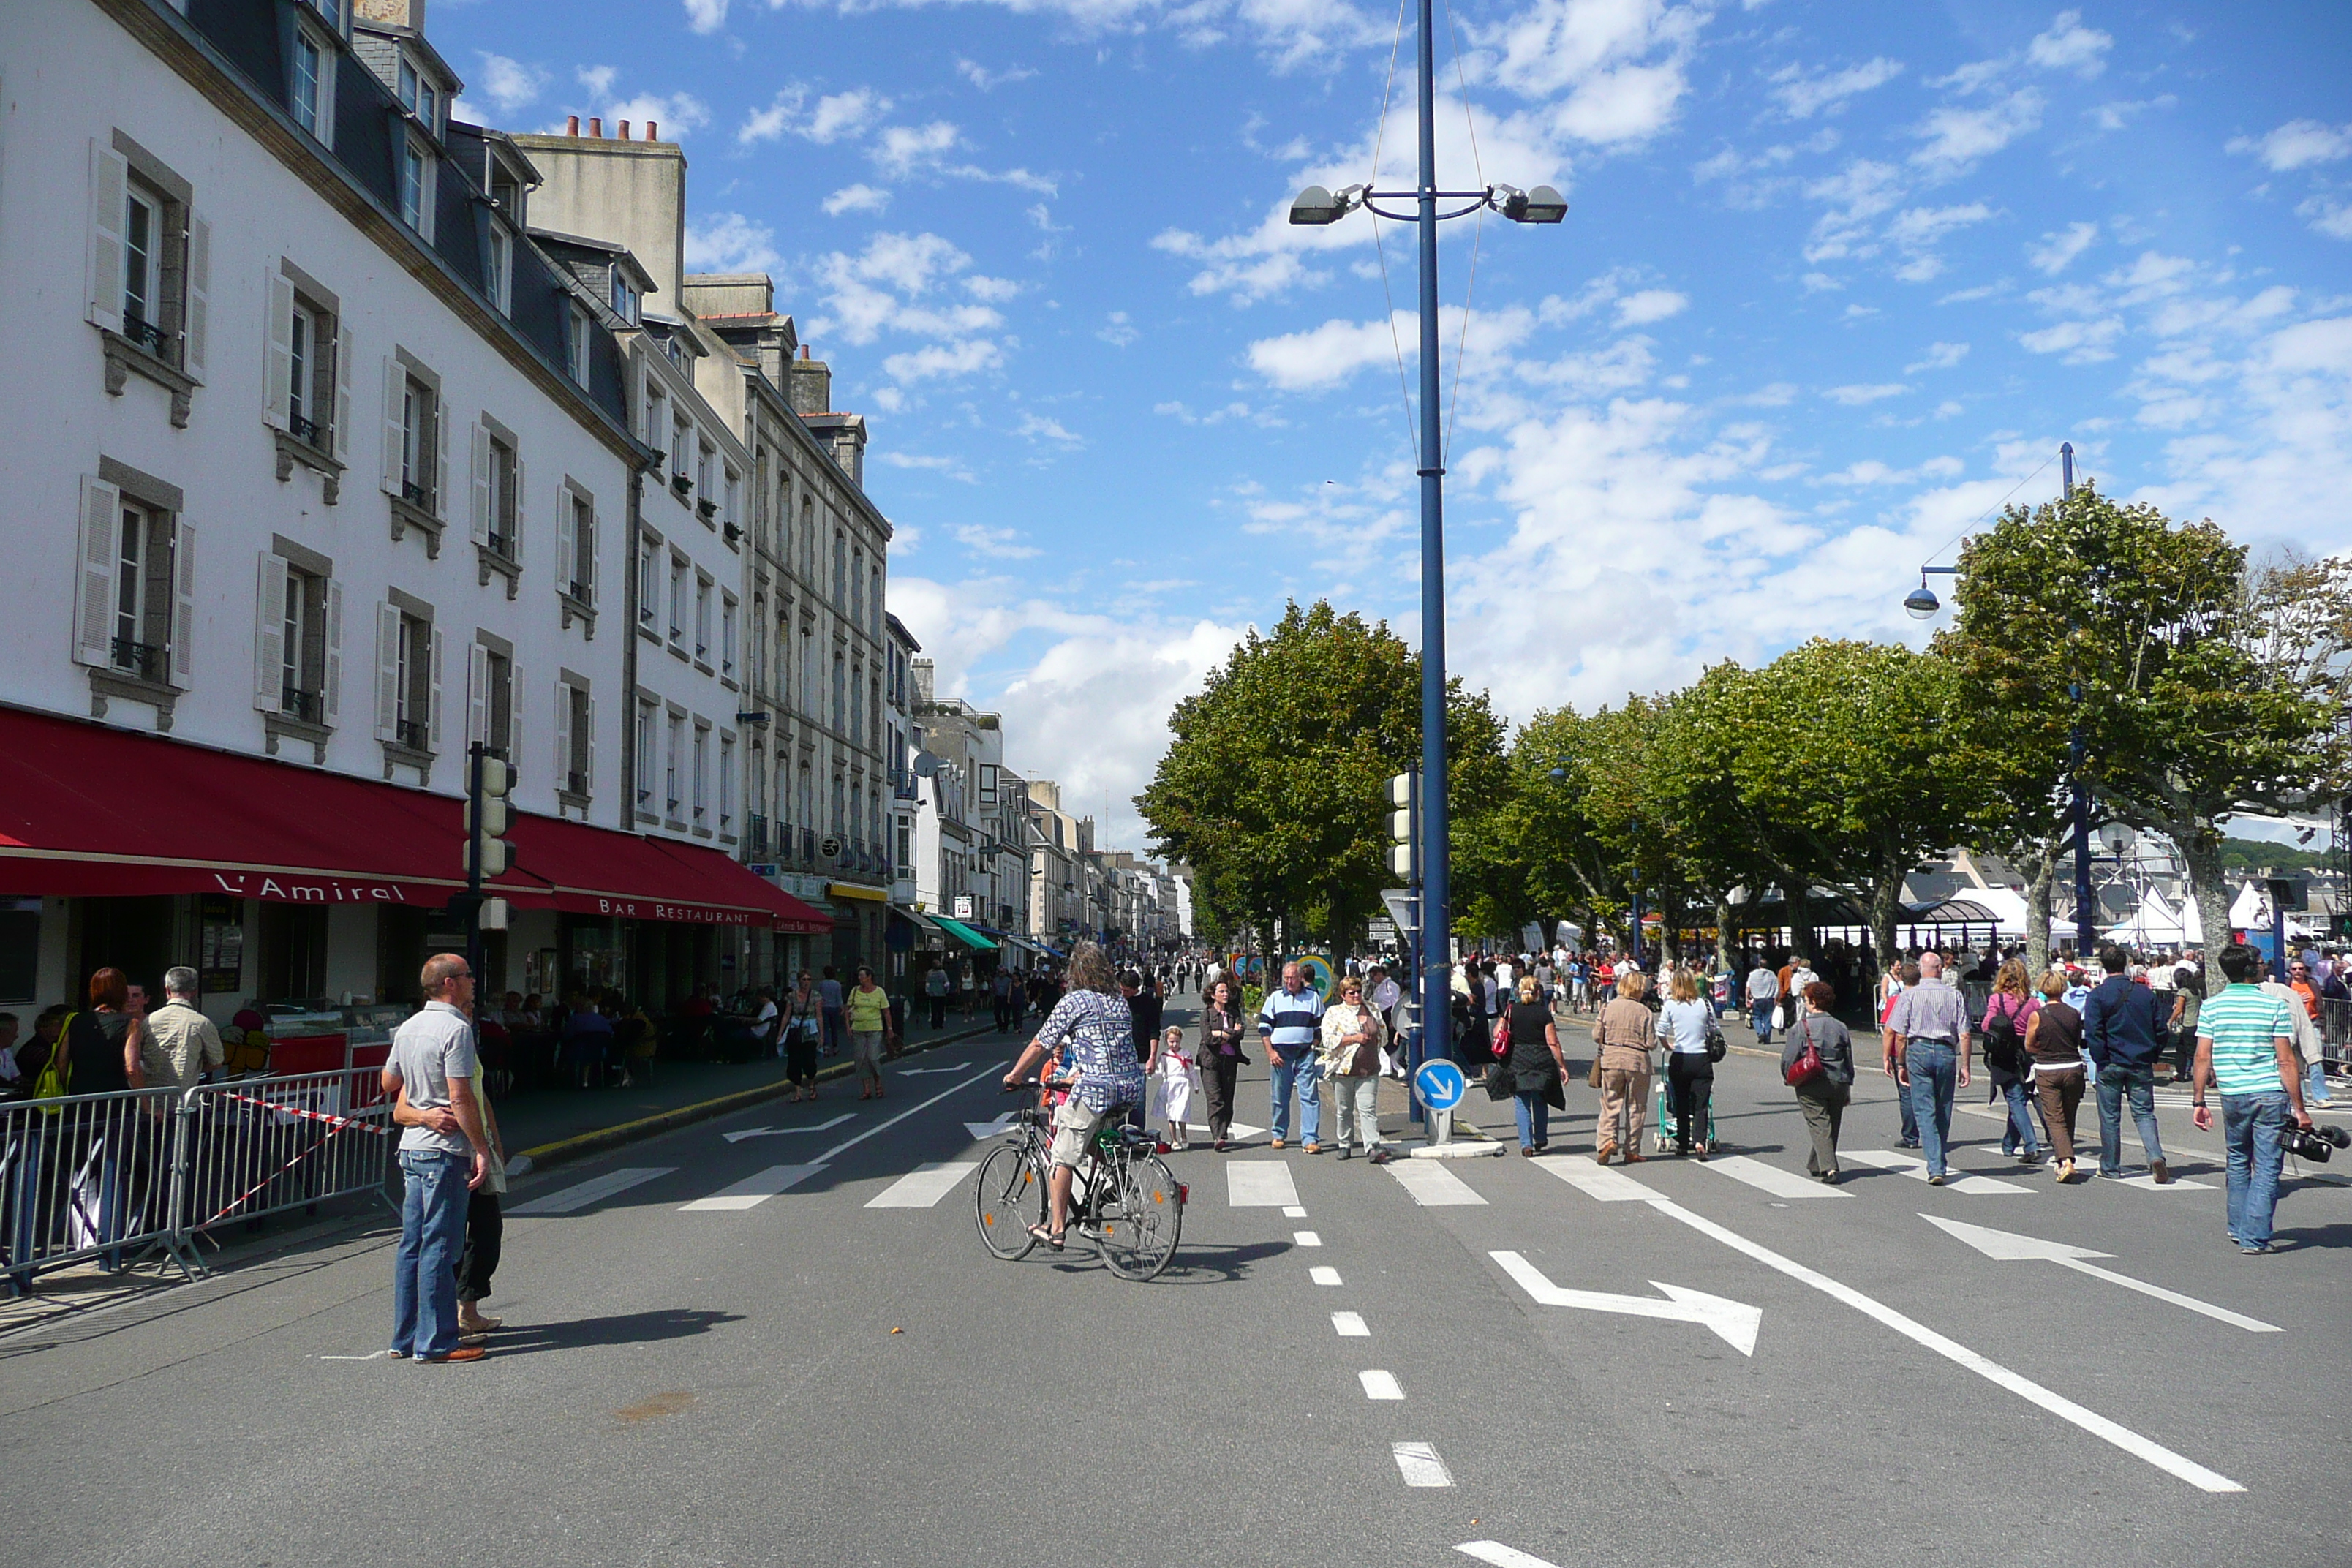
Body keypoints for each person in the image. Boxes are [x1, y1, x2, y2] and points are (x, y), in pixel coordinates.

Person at [382, 954, 490, 1363]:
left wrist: (420, 1090)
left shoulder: (409, 1027)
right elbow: (460, 1095)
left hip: (412, 1145)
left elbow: (389, 1080)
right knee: (441, 1248)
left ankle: (404, 1338)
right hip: (443, 1150)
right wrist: (481, 1148)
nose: (473, 981)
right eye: (466, 976)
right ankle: (437, 1342)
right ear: (449, 984)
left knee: (413, 1245)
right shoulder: (456, 1029)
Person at [1000, 943, 1144, 1251]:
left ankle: (1056, 1229)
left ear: (1075, 973)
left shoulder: (1074, 1001)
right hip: (1130, 1087)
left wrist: (1015, 1075)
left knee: (1061, 1156)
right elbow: (1111, 1045)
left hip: (1097, 1089)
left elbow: (1042, 1042)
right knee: (1092, 1138)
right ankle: (1116, 1180)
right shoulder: (1118, 1000)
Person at [2194, 943, 2317, 1254]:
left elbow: (2202, 1057)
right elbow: (2286, 1061)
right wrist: (2299, 1108)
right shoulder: (2273, 1006)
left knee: (2237, 1159)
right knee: (2266, 1167)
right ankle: (2254, 1235)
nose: (2264, 967)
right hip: (2270, 1093)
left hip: (2233, 1093)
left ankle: (2238, 1227)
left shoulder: (2212, 1007)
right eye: (2261, 963)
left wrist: (2199, 1100)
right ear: (2251, 970)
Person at [2082, 943, 2169, 1183]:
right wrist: (2153, 1053)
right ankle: (2155, 1155)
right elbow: (2161, 1029)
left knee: (2110, 1116)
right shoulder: (2144, 994)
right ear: (2126, 965)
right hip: (2140, 1060)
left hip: (2110, 1061)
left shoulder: (2098, 995)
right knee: (2144, 1114)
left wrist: (2100, 1057)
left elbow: (2093, 1031)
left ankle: (2111, 1165)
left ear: (2103, 966)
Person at [1883, 951, 1972, 1185]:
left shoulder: (1909, 996)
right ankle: (1938, 1159)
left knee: (1924, 1109)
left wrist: (1900, 1063)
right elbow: (1964, 1034)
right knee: (1943, 1108)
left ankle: (1935, 1165)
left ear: (1922, 970)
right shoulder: (1954, 996)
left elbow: (1899, 1035)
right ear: (1940, 969)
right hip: (1945, 1051)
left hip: (1919, 1049)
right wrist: (1966, 1065)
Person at [1782, 980, 1855, 1181]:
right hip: (1838, 1080)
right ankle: (1816, 1163)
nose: (1805, 1003)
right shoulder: (1840, 1027)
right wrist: (1848, 1086)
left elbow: (1789, 1058)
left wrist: (1788, 1077)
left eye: (1806, 1000)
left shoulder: (1801, 1028)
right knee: (1832, 1124)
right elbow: (1848, 1059)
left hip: (1811, 1082)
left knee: (1820, 1124)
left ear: (1813, 1002)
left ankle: (1829, 1168)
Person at [2022, 969, 2088, 1181]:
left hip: (2048, 1069)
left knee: (2054, 1118)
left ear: (2042, 989)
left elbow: (2029, 1045)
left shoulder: (2037, 1016)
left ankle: (2066, 1159)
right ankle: (2063, 1159)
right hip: (2073, 1068)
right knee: (2069, 1116)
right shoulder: (2073, 1013)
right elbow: (2078, 1040)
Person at [1317, 975, 1388, 1160]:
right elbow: (1329, 1041)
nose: (1357, 995)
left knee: (1368, 1109)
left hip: (1369, 1069)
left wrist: (1373, 1049)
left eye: (1359, 992)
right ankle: (1345, 1143)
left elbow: (1383, 1034)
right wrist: (1354, 1039)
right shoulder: (1334, 1013)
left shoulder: (1373, 1009)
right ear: (1343, 995)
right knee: (1344, 1110)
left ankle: (1372, 1146)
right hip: (1344, 1070)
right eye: (1352, 993)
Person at [1258, 962, 1327, 1153]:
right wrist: (1270, 1052)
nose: (1289, 982)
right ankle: (1279, 1134)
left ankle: (1310, 1138)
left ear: (1300, 978)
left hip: (1305, 1053)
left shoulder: (1313, 998)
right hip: (1280, 1055)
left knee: (1310, 1097)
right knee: (1280, 1097)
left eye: (1293, 978)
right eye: (1286, 978)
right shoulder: (1274, 998)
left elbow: (1320, 1025)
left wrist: (1315, 1045)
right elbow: (1264, 1027)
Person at [1979, 960, 2042, 1165]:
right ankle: (2008, 1144)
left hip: (2003, 1055)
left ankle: (2031, 1145)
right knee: (2019, 1099)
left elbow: (1986, 1025)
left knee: (2015, 1100)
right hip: (2025, 1053)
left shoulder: (1997, 999)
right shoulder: (2032, 1003)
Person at [1498, 974, 1567, 1156]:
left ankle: (1526, 1144)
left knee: (1521, 1103)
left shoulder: (1512, 1010)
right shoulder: (1543, 1013)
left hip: (1518, 1058)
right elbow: (1553, 1042)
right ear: (1538, 992)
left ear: (1519, 991)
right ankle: (1541, 1137)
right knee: (1540, 1099)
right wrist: (1562, 1066)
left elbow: (1498, 1031)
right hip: (1541, 1059)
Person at [1591, 970, 1655, 1164]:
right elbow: (1651, 1043)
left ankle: (1608, 1140)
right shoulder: (1645, 1011)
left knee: (1610, 1103)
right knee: (1636, 1107)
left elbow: (1596, 1035)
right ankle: (1632, 1149)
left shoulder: (1608, 1007)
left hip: (1611, 1059)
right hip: (1637, 1061)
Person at [1655, 969, 1716, 1160]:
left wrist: (1668, 1045)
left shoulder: (1671, 1006)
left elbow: (1661, 1031)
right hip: (1701, 1058)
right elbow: (1714, 1029)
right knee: (1701, 1104)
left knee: (1681, 1102)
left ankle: (1682, 1143)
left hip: (1680, 1057)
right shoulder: (1704, 1004)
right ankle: (1699, 1141)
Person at [140, 967, 224, 1093]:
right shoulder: (202, 1023)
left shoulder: (149, 1021)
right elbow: (217, 1062)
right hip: (185, 1098)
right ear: (195, 991)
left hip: (150, 1099)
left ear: (167, 990)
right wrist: (193, 1069)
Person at [1197, 977, 1248, 1150]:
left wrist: (1223, 1033)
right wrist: (1228, 1033)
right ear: (1213, 995)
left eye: (1227, 992)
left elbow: (1240, 1034)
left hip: (1230, 1060)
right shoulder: (1206, 1014)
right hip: (1210, 1061)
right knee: (1215, 1099)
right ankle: (1217, 1136)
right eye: (1221, 992)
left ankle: (1223, 1130)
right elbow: (1208, 1038)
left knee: (1227, 1099)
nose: (1225, 995)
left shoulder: (1233, 1013)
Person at [846, 965, 894, 1100]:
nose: (860, 978)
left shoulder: (879, 992)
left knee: (873, 1057)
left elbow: (886, 1011)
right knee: (861, 1059)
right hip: (858, 1029)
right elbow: (848, 1008)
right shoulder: (855, 991)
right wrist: (848, 1026)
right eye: (859, 976)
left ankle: (877, 1082)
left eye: (862, 976)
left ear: (869, 977)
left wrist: (889, 1029)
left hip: (875, 1028)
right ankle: (866, 1088)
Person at [1150, 1026, 1196, 1150]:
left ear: (1180, 1040)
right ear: (1167, 1041)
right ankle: (1174, 1140)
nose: (1174, 1044)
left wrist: (1195, 1085)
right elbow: (1160, 1071)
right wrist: (1151, 1074)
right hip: (1170, 1086)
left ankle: (1184, 1136)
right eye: (1171, 1041)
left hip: (1183, 1085)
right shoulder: (1165, 1056)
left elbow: (1191, 1071)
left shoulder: (1186, 1054)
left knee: (1182, 1112)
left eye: (1177, 1041)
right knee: (1171, 1114)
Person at [783, 971, 822, 1100]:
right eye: (803, 979)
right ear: (799, 980)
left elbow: (819, 1016)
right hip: (795, 1031)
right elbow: (786, 1015)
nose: (806, 982)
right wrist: (781, 1033)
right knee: (794, 1061)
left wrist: (822, 1035)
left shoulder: (816, 996)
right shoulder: (792, 996)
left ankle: (811, 1085)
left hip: (810, 1033)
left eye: (808, 979)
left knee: (809, 1061)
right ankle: (798, 1091)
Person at [1745, 960, 1779, 1043]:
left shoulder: (1753, 974)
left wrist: (1747, 999)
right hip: (1769, 999)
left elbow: (1748, 987)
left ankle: (1760, 1033)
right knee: (1768, 1019)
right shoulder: (1772, 975)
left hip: (1757, 999)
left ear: (1759, 965)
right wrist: (1776, 997)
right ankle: (1767, 1038)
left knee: (1757, 1018)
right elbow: (1777, 987)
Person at [818, 966, 845, 1058]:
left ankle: (826, 1047)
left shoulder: (822, 984)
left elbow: (819, 996)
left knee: (825, 1028)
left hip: (824, 1007)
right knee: (834, 1028)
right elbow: (839, 997)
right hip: (835, 1008)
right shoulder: (837, 984)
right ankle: (835, 1047)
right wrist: (842, 1007)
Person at [924, 964, 949, 1030]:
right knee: (941, 1010)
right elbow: (946, 983)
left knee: (934, 1010)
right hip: (941, 993)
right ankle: (940, 1024)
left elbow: (927, 984)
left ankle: (934, 1024)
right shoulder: (942, 973)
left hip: (933, 994)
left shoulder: (930, 973)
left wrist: (928, 991)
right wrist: (946, 990)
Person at [991, 968, 1017, 1033]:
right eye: (999, 972)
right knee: (997, 1013)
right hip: (998, 997)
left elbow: (1010, 990)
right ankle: (1000, 1025)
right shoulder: (995, 980)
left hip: (1005, 997)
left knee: (1006, 1013)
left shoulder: (1008, 980)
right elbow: (993, 988)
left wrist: (1009, 998)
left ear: (1005, 973)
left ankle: (1005, 1027)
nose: (1001, 973)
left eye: (1002, 972)